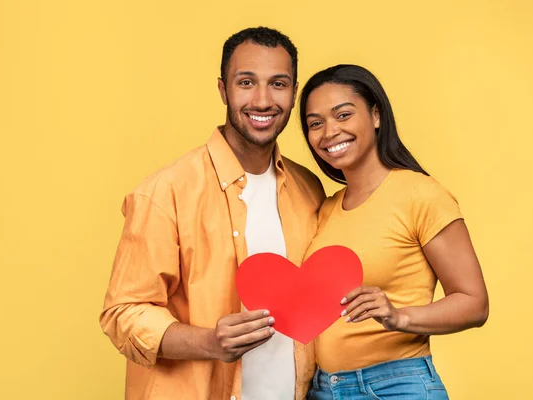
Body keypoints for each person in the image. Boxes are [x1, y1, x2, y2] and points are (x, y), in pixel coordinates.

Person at [99, 27, 325, 400]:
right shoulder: (165, 192)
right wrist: (210, 342)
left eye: (279, 84)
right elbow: (123, 313)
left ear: (294, 92)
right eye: (247, 82)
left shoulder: (308, 190)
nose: (263, 100)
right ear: (223, 89)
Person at [299, 64, 489, 399]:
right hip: (323, 389)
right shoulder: (326, 208)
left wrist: (398, 316)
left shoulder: (421, 194)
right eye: (316, 123)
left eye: (342, 115)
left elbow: (474, 304)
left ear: (376, 115)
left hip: (394, 387)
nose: (328, 132)